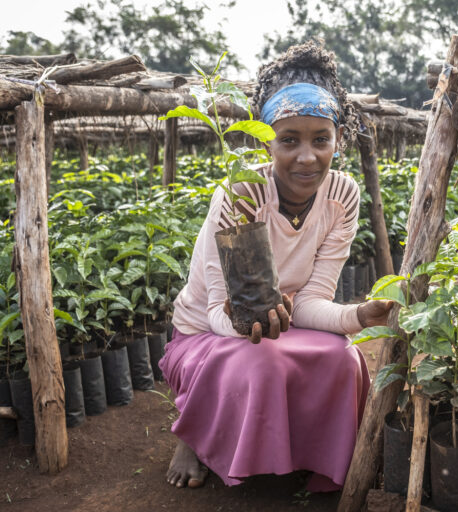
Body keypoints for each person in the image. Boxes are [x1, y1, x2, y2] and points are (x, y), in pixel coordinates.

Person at [159, 41, 393, 492]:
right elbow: (213, 313)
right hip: (210, 332)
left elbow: (310, 301)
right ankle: (193, 435)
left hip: (285, 322)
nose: (307, 157)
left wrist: (357, 316)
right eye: (289, 140)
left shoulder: (342, 197)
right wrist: (250, 321)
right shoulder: (240, 193)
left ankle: (309, 455)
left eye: (320, 139)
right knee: (261, 362)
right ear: (265, 140)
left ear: (338, 140)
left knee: (344, 359)